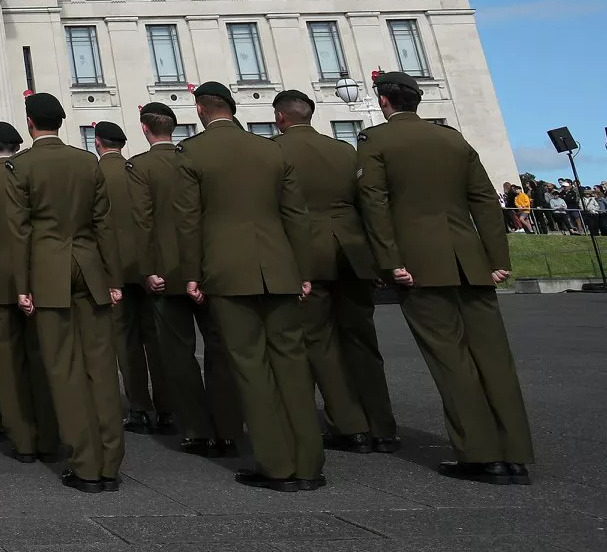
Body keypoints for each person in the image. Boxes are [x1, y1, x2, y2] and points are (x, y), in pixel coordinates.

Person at [357, 72, 534, 483]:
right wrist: (496, 258)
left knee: (450, 358)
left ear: (384, 101)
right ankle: (515, 453)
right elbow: (485, 200)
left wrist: (389, 260)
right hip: (469, 261)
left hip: (419, 263)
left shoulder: (375, 141)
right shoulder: (453, 139)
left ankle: (480, 454)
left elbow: (374, 203)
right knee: (494, 358)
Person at [175, 82, 322, 492]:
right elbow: (296, 215)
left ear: (201, 109)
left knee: (250, 366)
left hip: (226, 269)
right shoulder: (272, 149)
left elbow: (189, 221)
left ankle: (275, 464)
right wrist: (303, 270)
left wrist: (191, 272)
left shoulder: (193, 153)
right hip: (279, 267)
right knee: (292, 364)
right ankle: (309, 463)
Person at [270, 91, 399, 453]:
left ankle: (349, 424)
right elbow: (368, 203)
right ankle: (382, 426)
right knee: (361, 338)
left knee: (319, 340)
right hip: (352, 250)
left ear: (280, 117)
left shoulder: (274, 151)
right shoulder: (344, 150)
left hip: (307, 252)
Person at [14, 93, 125, 493]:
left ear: (30, 123)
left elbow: (20, 232)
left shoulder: (21, 166)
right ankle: (110, 460)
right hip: (90, 267)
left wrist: (22, 286)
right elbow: (104, 225)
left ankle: (86, 464)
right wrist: (112, 279)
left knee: (64, 369)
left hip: (48, 272)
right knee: (101, 367)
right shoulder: (87, 162)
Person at [131, 104, 243, 457]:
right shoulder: (196, 155)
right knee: (220, 347)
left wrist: (148, 269)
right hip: (207, 266)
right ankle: (227, 427)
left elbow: (142, 222)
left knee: (177, 353)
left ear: (146, 129)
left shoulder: (141, 166)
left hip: (166, 269)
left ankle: (196, 428)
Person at [0, 121, 58, 463]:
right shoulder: (34, 172)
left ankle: (22, 440)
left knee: (6, 365)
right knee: (42, 358)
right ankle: (49, 436)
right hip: (38, 276)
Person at [92, 120, 165, 435]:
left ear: (97, 143)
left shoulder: (95, 174)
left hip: (114, 270)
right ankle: (167, 406)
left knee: (126, 341)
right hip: (147, 265)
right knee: (157, 339)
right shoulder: (137, 169)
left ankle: (139, 407)